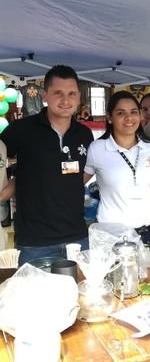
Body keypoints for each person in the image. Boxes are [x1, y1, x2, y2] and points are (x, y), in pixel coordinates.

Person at [0, 65, 94, 265]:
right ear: (45, 96)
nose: (65, 100)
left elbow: (83, 173)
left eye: (71, 94)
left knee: (80, 295)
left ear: (79, 97)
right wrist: (10, 186)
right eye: (57, 93)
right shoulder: (22, 129)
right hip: (34, 242)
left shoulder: (84, 134)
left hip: (77, 237)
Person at [84, 91, 150, 244]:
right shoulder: (98, 149)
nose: (129, 118)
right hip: (112, 236)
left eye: (133, 112)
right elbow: (76, 185)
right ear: (109, 117)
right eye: (120, 113)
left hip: (149, 233)